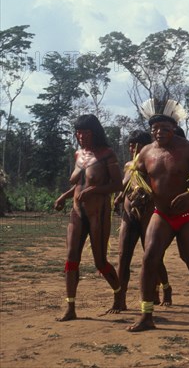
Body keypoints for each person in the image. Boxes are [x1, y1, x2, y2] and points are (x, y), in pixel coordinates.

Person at [126, 99, 189, 331]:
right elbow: (133, 178)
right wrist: (137, 191)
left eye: (165, 129)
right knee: (149, 259)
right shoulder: (146, 152)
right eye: (155, 129)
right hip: (161, 214)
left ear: (174, 129)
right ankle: (146, 315)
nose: (159, 132)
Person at [53, 114, 123, 321]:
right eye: (78, 132)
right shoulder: (78, 155)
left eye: (85, 132)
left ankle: (119, 295)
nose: (81, 136)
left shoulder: (107, 155)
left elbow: (117, 185)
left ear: (95, 133)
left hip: (97, 213)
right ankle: (70, 307)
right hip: (76, 212)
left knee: (100, 262)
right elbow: (79, 183)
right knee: (71, 258)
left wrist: (94, 191)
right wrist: (63, 196)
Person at [111, 130, 171, 312]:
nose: (133, 148)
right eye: (130, 145)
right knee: (123, 257)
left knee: (153, 257)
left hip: (148, 216)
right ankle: (119, 298)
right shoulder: (129, 165)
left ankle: (163, 289)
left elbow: (160, 188)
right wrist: (119, 198)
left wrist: (146, 195)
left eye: (137, 145)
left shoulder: (153, 163)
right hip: (129, 217)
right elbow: (125, 185)